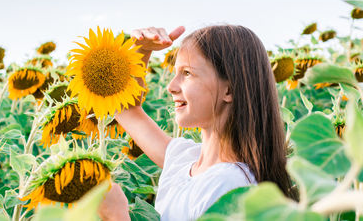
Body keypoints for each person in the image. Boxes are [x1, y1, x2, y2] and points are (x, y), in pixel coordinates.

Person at [98, 25, 297, 221]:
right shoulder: (185, 160)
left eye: (187, 73)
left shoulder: (230, 188)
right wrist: (141, 51)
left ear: (229, 90)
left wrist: (116, 216)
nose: (171, 86)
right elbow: (125, 108)